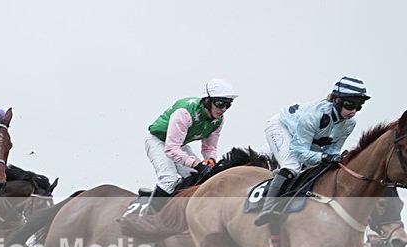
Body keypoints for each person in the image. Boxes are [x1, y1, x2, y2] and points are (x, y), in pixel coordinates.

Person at [255, 76, 370, 226]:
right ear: (337, 101)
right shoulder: (315, 115)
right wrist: (324, 157)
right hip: (282, 128)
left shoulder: (349, 123)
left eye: (358, 107)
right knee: (292, 166)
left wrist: (332, 158)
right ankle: (267, 208)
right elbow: (298, 150)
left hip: (306, 139)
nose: (353, 111)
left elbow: (333, 149)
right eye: (350, 105)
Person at [142, 78, 238, 213]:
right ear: (207, 100)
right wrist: (198, 165)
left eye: (228, 105)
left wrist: (210, 161)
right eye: (220, 103)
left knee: (199, 177)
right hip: (158, 141)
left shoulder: (218, 121)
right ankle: (146, 219)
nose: (223, 109)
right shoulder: (185, 112)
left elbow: (209, 148)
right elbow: (171, 149)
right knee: (169, 180)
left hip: (179, 144)